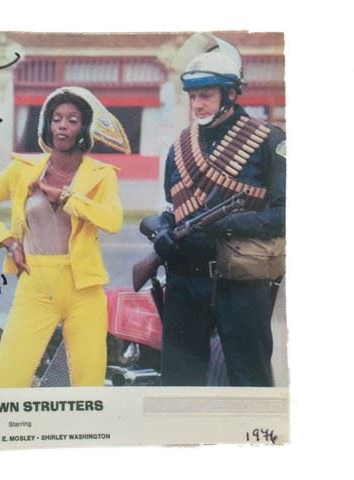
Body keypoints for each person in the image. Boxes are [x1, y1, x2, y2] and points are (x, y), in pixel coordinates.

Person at [0, 86, 130, 388]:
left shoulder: (102, 174)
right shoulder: (23, 169)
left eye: (72, 120)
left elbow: (112, 220)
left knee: (88, 386)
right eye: (56, 119)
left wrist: (68, 198)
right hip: (35, 284)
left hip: (84, 288)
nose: (62, 126)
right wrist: (7, 241)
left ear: (84, 128)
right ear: (47, 125)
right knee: (5, 382)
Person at [152, 34, 286, 387]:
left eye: (206, 95)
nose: (197, 105)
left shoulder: (268, 142)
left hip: (241, 282)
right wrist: (160, 229)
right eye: (193, 96)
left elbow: (285, 215)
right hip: (184, 279)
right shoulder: (181, 146)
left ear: (230, 94)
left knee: (250, 381)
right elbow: (171, 208)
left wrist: (230, 224)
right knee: (179, 385)